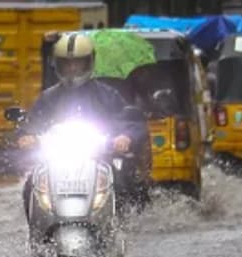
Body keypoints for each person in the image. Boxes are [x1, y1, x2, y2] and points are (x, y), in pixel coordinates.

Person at [16, 32, 149, 212]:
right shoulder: (48, 97)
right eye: (67, 63)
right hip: (57, 161)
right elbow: (32, 123)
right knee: (31, 187)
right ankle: (38, 227)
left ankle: (122, 224)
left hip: (99, 159)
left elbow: (129, 120)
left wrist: (126, 136)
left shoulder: (107, 95)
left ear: (89, 62)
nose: (72, 68)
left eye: (77, 63)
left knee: (123, 185)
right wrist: (25, 136)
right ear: (58, 64)